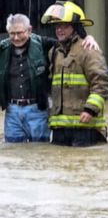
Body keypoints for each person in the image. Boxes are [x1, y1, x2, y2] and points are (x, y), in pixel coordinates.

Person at [0, 13, 99, 143]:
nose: (16, 38)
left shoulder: (42, 43)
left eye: (20, 33)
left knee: (40, 150)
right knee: (14, 151)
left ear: (29, 30)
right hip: (12, 111)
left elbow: (68, 43)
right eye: (12, 34)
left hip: (37, 110)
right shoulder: (3, 48)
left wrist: (88, 37)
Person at [41, 0, 108, 146]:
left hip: (85, 127)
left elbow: (101, 84)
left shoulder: (89, 50)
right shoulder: (54, 52)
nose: (59, 30)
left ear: (75, 27)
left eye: (65, 25)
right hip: (60, 128)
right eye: (57, 25)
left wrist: (90, 110)